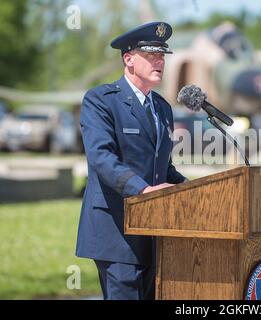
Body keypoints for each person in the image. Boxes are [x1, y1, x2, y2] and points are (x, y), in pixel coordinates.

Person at [75, 21, 186, 300]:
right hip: (116, 231)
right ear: (129, 60)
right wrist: (143, 190)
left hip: (155, 232)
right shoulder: (101, 100)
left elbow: (163, 167)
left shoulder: (162, 107)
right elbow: (101, 157)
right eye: (151, 56)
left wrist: (196, 189)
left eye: (161, 56)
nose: (158, 62)